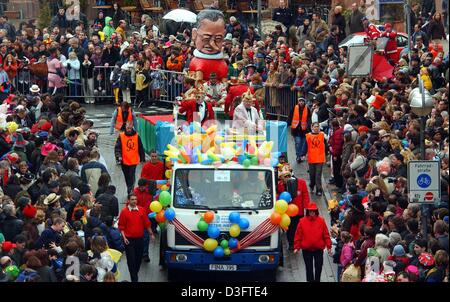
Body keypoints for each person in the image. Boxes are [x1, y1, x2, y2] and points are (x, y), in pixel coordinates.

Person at [118, 193, 155, 282]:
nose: (134, 201)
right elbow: (121, 226)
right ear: (128, 201)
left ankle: (134, 274)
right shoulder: (124, 212)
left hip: (139, 239)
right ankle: (134, 279)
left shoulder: (141, 210)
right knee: (131, 261)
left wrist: (151, 234)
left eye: (135, 199)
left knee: (138, 260)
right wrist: (124, 238)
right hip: (129, 240)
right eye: (132, 199)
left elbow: (147, 223)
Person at [294, 202, 332, 282]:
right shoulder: (302, 221)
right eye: (310, 211)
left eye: (313, 211)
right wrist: (296, 246)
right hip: (306, 250)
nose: (312, 212)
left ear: (316, 211)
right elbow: (298, 235)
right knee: (309, 268)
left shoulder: (321, 221)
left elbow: (326, 234)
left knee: (319, 266)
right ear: (307, 211)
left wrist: (329, 246)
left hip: (318, 249)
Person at [188, 9, 228, 82]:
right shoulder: (195, 61)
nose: (211, 44)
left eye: (218, 39)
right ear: (194, 34)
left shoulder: (222, 63)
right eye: (206, 38)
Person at [277, 167, 311, 251]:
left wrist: (307, 208)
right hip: (287, 212)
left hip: (298, 211)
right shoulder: (281, 185)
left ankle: (299, 243)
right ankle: (291, 244)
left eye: (287, 176)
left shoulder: (301, 183)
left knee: (298, 228)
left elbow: (305, 195)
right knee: (290, 229)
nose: (285, 179)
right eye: (284, 177)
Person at [114, 121, 145, 194]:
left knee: (131, 176)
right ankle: (129, 187)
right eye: (128, 128)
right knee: (126, 176)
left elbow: (140, 147)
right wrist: (118, 156)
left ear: (132, 128)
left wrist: (142, 158)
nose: (129, 130)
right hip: (124, 160)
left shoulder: (136, 136)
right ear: (125, 127)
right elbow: (117, 148)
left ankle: (130, 190)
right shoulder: (121, 136)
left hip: (133, 160)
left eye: (130, 128)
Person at [306, 122, 327, 196]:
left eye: (317, 126)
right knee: (312, 175)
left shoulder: (322, 135)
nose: (316, 128)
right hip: (311, 158)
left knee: (318, 175)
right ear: (312, 127)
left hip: (320, 158)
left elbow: (326, 144)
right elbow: (305, 146)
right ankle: (312, 184)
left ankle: (319, 189)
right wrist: (302, 154)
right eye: (315, 126)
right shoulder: (308, 136)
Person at [288, 97, 311, 163]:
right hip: (296, 129)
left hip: (304, 130)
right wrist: (288, 124)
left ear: (304, 102)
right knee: (298, 143)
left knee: (303, 144)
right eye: (300, 101)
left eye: (302, 101)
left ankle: (301, 155)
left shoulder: (307, 109)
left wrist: (309, 126)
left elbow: (309, 118)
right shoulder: (294, 108)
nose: (301, 102)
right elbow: (290, 116)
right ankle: (298, 156)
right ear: (298, 102)